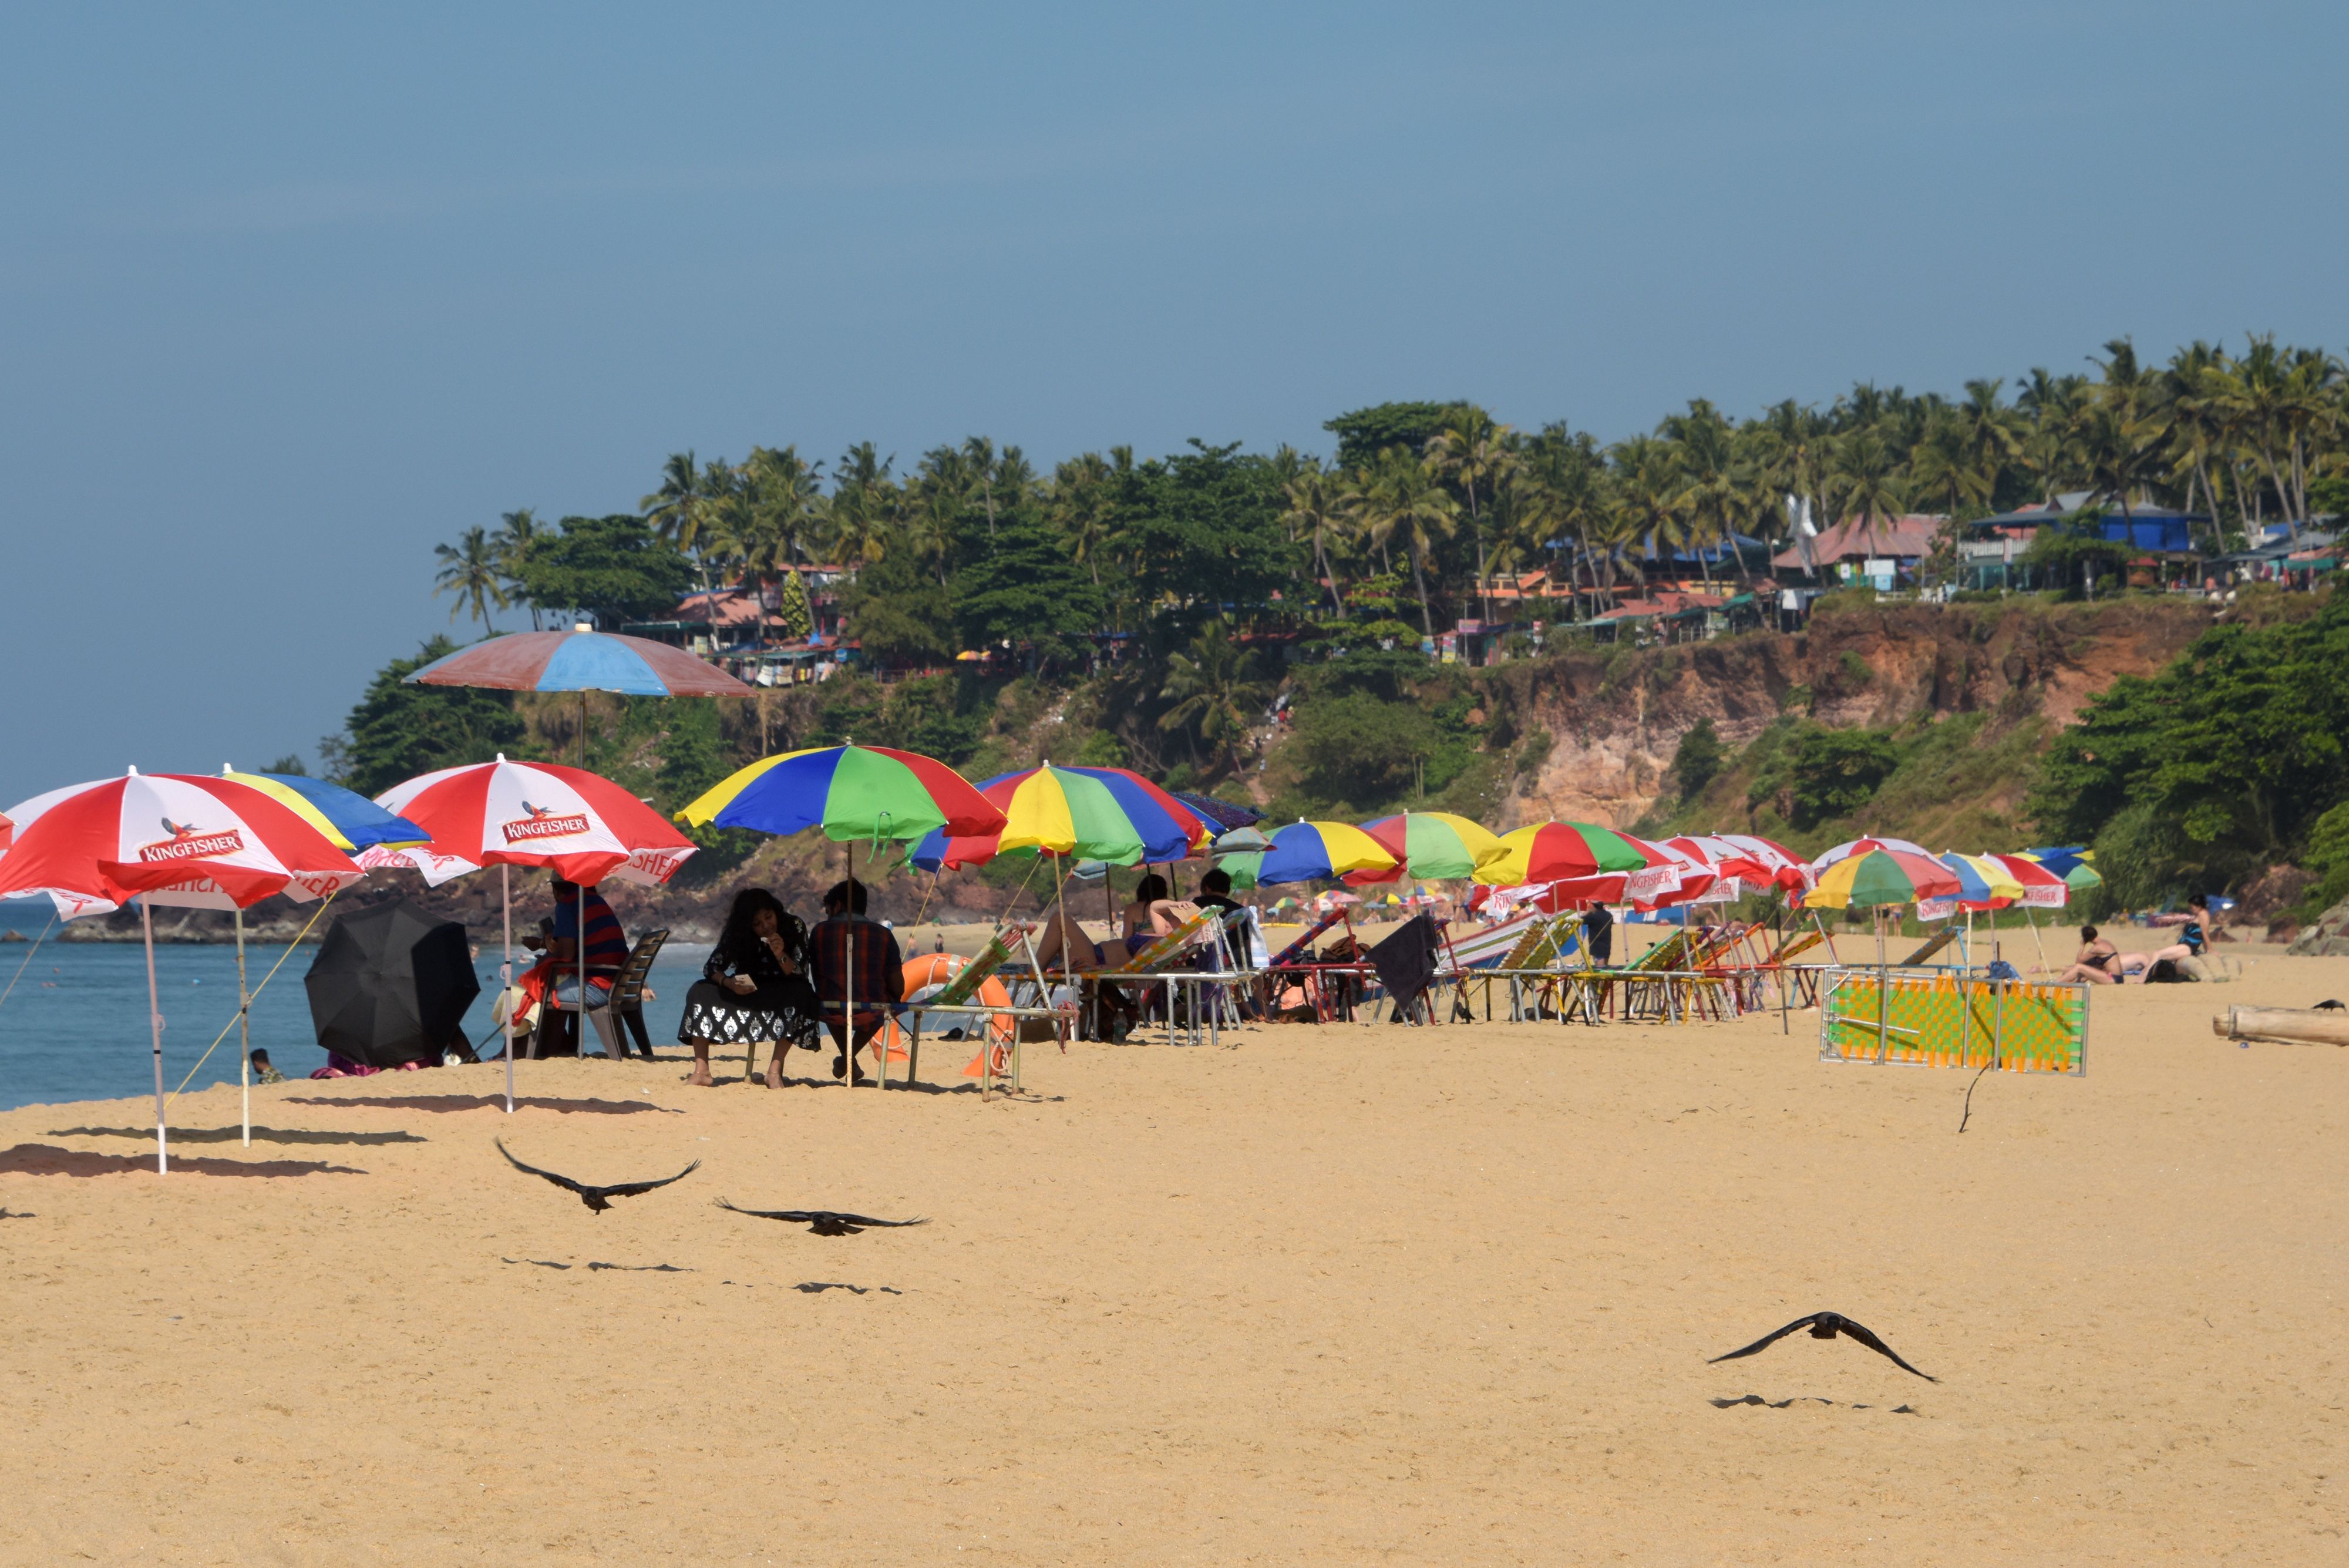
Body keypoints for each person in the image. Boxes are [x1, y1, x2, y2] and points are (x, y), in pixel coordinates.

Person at [678, 889, 817, 1088]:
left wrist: (780, 954)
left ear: (776, 912)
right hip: (746, 989)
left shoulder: (793, 926)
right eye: (757, 924)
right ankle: (702, 1071)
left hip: (782, 990)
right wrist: (729, 983)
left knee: (803, 992)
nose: (766, 926)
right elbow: (712, 967)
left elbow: (800, 973)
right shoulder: (739, 934)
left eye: (769, 918)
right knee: (699, 990)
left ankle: (774, 1071)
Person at [810, 879, 903, 1085]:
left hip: (830, 1008)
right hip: (872, 1010)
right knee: (888, 1002)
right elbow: (899, 986)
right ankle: (847, 1060)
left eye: (828, 911)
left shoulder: (819, 932)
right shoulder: (884, 935)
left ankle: (847, 1059)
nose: (828, 916)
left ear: (838, 905)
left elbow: (817, 977)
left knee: (830, 996)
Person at [536, 878, 630, 1057]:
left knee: (535, 990)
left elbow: (566, 955)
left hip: (597, 987)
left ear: (555, 891)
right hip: (616, 983)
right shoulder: (596, 900)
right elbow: (583, 943)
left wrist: (544, 959)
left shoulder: (566, 905)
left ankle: (545, 1050)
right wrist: (545, 943)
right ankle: (560, 1048)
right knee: (554, 985)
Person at [2055, 924, 2123, 984]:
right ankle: (2067, 982)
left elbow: (2079, 962)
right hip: (2118, 978)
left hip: (2112, 979)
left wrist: (2082, 945)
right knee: (2083, 971)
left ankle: (2056, 982)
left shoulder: (2097, 948)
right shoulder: (2106, 942)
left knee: (2079, 967)